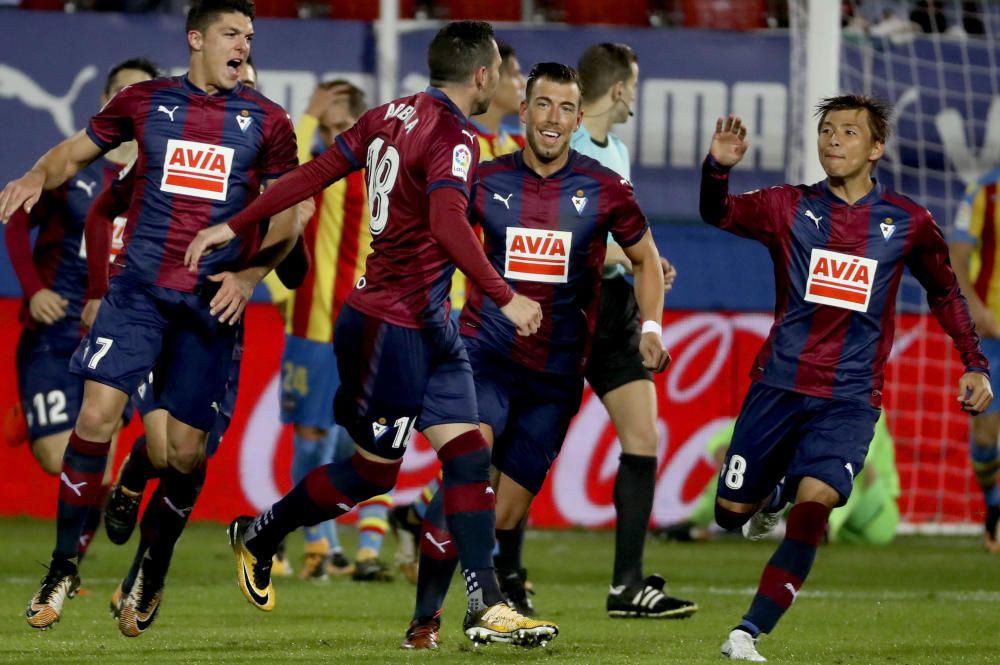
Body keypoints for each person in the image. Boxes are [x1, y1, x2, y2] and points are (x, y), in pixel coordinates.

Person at [186, 20, 559, 647]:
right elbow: (446, 220)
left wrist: (237, 220)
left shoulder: (391, 114)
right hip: (391, 327)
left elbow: (314, 172)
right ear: (482, 76)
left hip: (430, 323)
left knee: (468, 457)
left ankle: (484, 604)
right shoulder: (457, 136)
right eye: (499, 70)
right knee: (374, 474)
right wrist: (505, 296)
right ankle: (262, 532)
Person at [2, 0, 302, 635]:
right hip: (138, 293)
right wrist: (34, 173)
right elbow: (76, 154)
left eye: (249, 36)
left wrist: (248, 277)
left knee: (183, 456)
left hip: (209, 302)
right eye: (230, 33)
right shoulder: (146, 103)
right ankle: (62, 567)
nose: (242, 45)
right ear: (196, 38)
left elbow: (288, 217)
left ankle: (153, 564)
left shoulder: (268, 123)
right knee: (96, 415)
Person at [701, 96, 992, 661]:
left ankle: (747, 632)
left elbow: (945, 291)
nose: (834, 140)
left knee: (819, 502)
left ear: (875, 149)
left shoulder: (907, 222)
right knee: (730, 514)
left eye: (849, 132)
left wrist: (973, 361)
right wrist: (718, 169)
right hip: (779, 384)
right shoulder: (788, 206)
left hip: (851, 395)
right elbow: (719, 214)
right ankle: (773, 493)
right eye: (827, 131)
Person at [401, 61, 669, 650]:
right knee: (469, 473)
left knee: (500, 516)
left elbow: (646, 259)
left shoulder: (604, 187)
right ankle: (430, 621)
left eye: (566, 108)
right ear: (522, 111)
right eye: (542, 105)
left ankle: (466, 595)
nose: (553, 119)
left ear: (577, 119)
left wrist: (650, 326)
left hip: (556, 378)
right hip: (485, 358)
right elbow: (435, 235)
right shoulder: (483, 179)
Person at [4, 57, 159, 565]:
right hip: (57, 324)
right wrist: (32, 290)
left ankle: (72, 557)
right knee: (55, 457)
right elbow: (14, 221)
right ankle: (30, 414)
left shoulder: (160, 169)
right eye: (124, 93)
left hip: (120, 326)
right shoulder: (76, 163)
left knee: (103, 438)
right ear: (106, 101)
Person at [390, 41, 526, 585]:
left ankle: (484, 568)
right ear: (485, 77)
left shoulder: (517, 147)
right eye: (515, 76)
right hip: (462, 315)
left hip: (512, 318)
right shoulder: (454, 141)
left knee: (491, 456)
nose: (520, 89)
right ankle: (480, 581)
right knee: (475, 452)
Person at [568, 42, 691, 619]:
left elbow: (618, 237)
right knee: (520, 448)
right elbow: (564, 232)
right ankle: (503, 573)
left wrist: (643, 263)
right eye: (633, 84)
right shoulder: (561, 144)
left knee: (643, 437)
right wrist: (626, 253)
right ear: (618, 89)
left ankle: (627, 585)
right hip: (566, 308)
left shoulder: (614, 149)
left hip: (615, 307)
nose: (635, 95)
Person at [277, 79, 392, 581]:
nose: (333, 139)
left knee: (366, 442)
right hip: (312, 324)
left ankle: (359, 548)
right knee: (312, 435)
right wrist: (311, 119)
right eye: (327, 130)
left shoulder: (363, 178)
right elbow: (285, 178)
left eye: (343, 127)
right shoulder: (331, 172)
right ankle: (321, 547)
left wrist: (305, 116)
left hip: (361, 324)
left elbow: (288, 171)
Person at [655, 415, 901, 546]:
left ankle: (823, 525)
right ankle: (696, 523)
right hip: (802, 500)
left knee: (847, 469)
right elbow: (723, 446)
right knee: (740, 461)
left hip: (872, 516)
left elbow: (863, 469)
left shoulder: (861, 405)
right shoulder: (790, 398)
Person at [950, 165, 1000, 553]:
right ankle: (993, 506)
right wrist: (975, 308)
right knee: (985, 433)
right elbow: (959, 251)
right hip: (993, 331)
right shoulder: (984, 189)